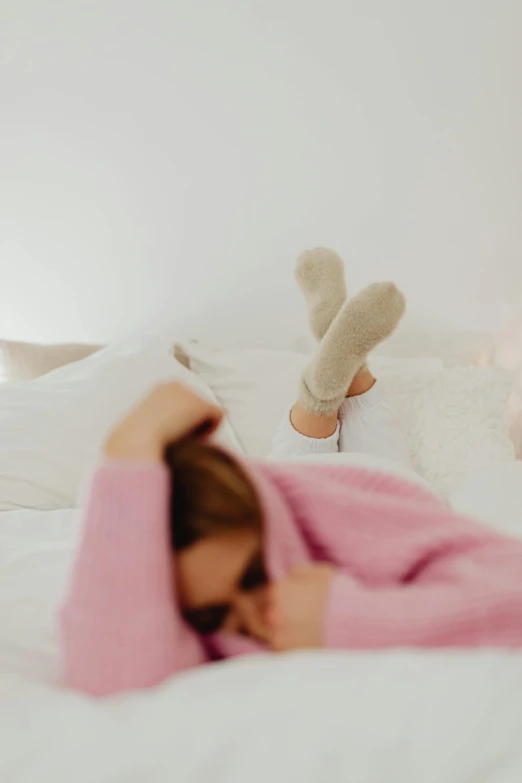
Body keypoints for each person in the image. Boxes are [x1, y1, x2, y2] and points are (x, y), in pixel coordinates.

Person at [61, 249, 522, 697]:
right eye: (212, 614)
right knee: (359, 439)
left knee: (366, 459)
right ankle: (338, 372)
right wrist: (123, 461)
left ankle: (333, 375)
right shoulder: (171, 572)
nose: (260, 622)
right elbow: (112, 685)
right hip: (300, 473)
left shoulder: (329, 507)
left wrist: (350, 617)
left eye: (255, 575)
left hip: (360, 487)